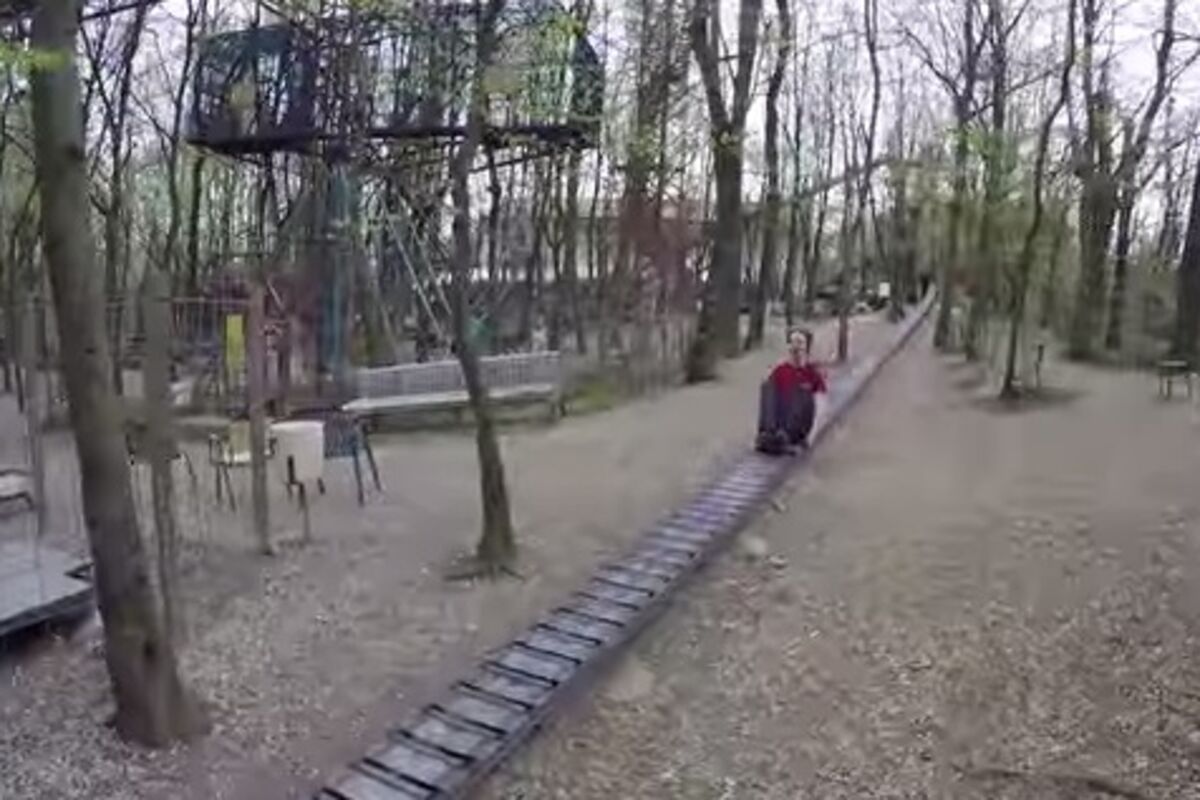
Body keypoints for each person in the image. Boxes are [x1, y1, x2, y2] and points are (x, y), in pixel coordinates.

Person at [756, 328, 827, 455]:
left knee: (801, 391)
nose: (795, 347)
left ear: (806, 348)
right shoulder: (780, 370)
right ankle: (769, 433)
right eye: (792, 342)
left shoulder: (812, 373)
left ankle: (786, 436)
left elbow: (821, 405)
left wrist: (811, 436)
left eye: (799, 342)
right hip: (779, 419)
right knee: (768, 385)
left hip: (798, 425)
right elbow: (770, 401)